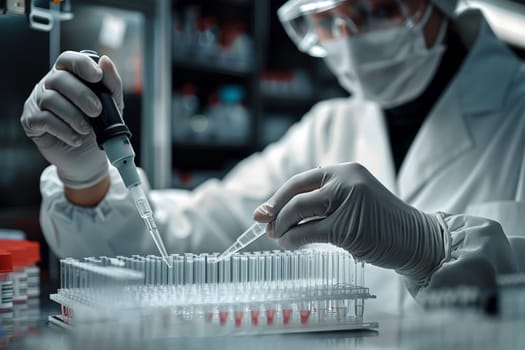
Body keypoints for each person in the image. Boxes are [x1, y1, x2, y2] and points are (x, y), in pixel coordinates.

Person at [20, 0, 525, 314]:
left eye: (375, 11)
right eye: (330, 24)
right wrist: (86, 176)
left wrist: (434, 248)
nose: (354, 42)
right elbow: (188, 244)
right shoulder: (328, 128)